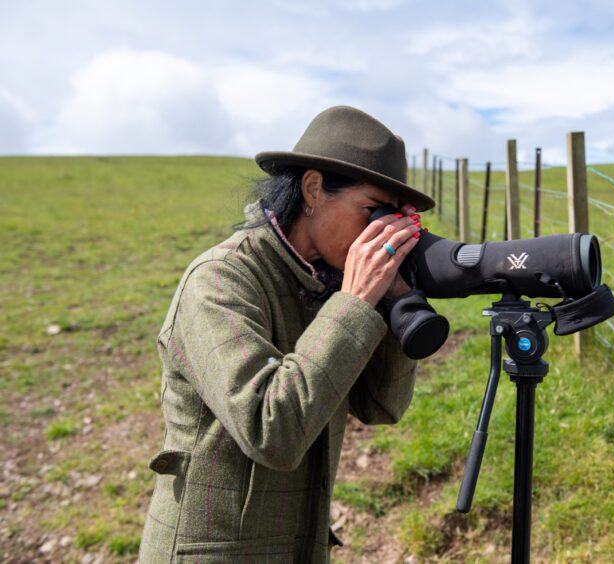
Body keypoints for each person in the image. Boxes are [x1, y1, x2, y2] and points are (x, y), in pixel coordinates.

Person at [139, 106, 436, 563]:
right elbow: (270, 430)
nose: (382, 235)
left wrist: (398, 301)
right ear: (313, 188)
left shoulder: (326, 281)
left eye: (394, 221)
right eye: (372, 213)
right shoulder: (220, 280)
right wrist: (354, 304)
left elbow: (382, 405)